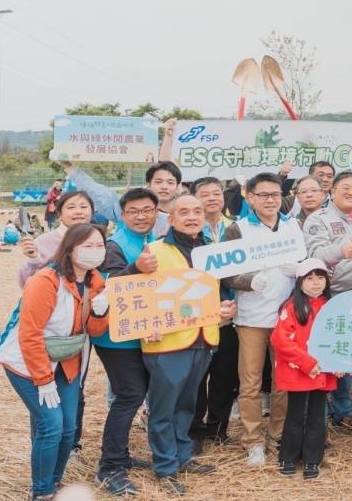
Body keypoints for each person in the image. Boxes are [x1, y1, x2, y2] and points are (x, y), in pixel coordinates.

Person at [0, 223, 110, 501]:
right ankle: (42, 492)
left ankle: (54, 483)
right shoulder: (45, 281)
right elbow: (30, 334)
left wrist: (100, 312)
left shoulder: (96, 281)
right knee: (51, 425)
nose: (94, 252)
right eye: (87, 246)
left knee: (69, 428)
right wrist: (43, 380)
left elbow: (94, 332)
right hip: (27, 363)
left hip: (67, 360)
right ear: (69, 250)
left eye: (99, 246)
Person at [141, 195, 236, 495]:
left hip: (203, 338)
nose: (192, 216)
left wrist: (224, 308)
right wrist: (146, 325)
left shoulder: (209, 251)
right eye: (184, 212)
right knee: (163, 407)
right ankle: (166, 465)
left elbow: (215, 291)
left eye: (197, 211)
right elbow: (140, 295)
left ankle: (183, 455)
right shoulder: (154, 251)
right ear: (170, 218)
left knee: (187, 405)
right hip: (168, 343)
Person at [220, 173, 300, 467]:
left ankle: (278, 433)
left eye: (275, 194)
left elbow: (304, 263)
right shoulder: (237, 229)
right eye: (263, 195)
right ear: (249, 197)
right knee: (251, 382)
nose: (270, 200)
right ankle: (253, 440)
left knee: (283, 381)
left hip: (286, 316)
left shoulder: (293, 225)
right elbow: (225, 272)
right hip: (251, 317)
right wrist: (249, 281)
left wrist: (300, 270)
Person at [94, 190, 160, 495]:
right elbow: (110, 283)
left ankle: (120, 456)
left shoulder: (154, 241)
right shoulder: (114, 244)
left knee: (136, 394)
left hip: (144, 332)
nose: (142, 215)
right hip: (115, 338)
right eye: (134, 211)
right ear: (123, 215)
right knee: (130, 395)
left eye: (147, 210)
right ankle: (110, 467)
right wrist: (136, 269)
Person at [303, 171, 352, 429]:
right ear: (332, 191)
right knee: (325, 353)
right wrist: (339, 251)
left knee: (348, 353)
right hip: (327, 296)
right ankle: (319, 416)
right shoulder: (317, 219)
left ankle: (342, 407)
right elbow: (314, 253)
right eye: (346, 187)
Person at [271, 259, 337, 480]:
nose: (316, 283)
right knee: (296, 414)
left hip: (323, 371)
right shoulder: (291, 307)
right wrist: (308, 363)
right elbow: (281, 340)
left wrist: (338, 363)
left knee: (318, 415)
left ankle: (312, 458)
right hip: (300, 370)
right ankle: (288, 456)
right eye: (310, 278)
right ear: (299, 282)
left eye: (320, 277)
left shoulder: (332, 306)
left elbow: (340, 338)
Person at [187, 177, 239, 453]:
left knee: (225, 376)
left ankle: (218, 428)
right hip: (199, 315)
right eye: (204, 194)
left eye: (216, 193)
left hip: (230, 314)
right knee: (197, 376)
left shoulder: (236, 228)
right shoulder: (191, 231)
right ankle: (194, 431)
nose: (211, 198)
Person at [57, 160, 180, 234]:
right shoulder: (126, 206)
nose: (164, 187)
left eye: (170, 182)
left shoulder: (183, 215)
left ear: (178, 186)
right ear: (148, 184)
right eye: (158, 182)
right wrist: (69, 167)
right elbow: (97, 191)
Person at [18, 191, 96, 288]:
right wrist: (33, 260)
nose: (78, 211)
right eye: (71, 207)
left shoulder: (98, 240)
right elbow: (26, 284)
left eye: (83, 207)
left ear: (92, 211)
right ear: (60, 213)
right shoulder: (43, 242)